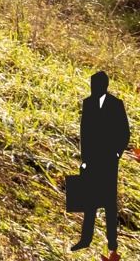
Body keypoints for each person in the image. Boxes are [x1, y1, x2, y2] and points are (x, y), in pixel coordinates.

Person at [76, 70, 130, 252]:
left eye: (97, 85)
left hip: (108, 161)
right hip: (92, 160)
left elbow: (124, 132)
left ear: (104, 86)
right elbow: (84, 133)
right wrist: (84, 159)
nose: (93, 88)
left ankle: (112, 242)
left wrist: (117, 153)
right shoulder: (88, 103)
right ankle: (85, 239)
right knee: (89, 201)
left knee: (109, 202)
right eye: (92, 85)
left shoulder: (116, 104)